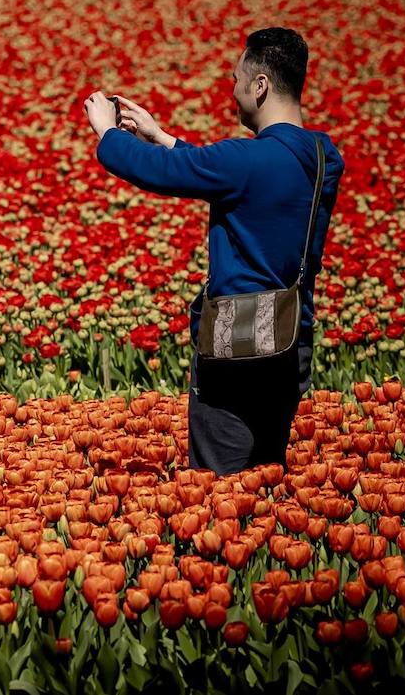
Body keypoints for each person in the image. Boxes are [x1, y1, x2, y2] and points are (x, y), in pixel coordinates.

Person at [82, 28, 344, 475]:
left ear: (260, 86)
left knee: (218, 489)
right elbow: (227, 176)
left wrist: (107, 132)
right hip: (288, 342)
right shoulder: (323, 157)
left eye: (236, 78)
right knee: (266, 477)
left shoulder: (244, 159)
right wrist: (162, 136)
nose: (233, 89)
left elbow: (165, 173)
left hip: (237, 345)